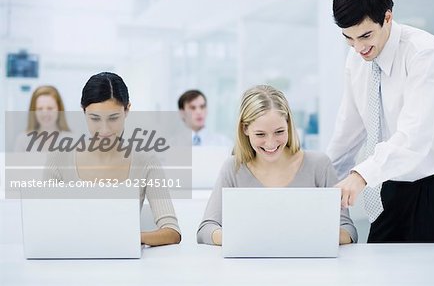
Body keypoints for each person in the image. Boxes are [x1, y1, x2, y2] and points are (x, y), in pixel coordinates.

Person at [328, 0, 434, 248]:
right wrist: (322, 179)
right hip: (391, 183)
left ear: (387, 18)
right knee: (378, 268)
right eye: (348, 38)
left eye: (365, 35)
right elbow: (348, 130)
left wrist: (360, 175)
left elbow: (414, 138)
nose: (359, 47)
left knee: (431, 273)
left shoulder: (424, 53)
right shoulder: (356, 60)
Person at [197, 85, 357, 245]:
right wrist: (245, 239)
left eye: (279, 132)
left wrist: (300, 237)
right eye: (260, 134)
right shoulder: (233, 168)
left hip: (308, 267)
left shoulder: (319, 165)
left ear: (288, 124)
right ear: (245, 129)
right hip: (248, 266)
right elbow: (205, 230)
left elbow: (348, 231)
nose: (271, 143)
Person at [44, 72, 181, 246]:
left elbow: (172, 232)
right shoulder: (59, 157)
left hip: (126, 264)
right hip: (71, 259)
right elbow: (45, 223)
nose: (104, 129)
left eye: (113, 118)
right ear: (83, 111)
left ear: (127, 110)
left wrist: (125, 237)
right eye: (94, 118)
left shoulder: (146, 161)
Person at [15, 85, 71, 152]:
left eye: (50, 108)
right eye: (40, 109)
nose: (45, 113)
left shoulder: (72, 140)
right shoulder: (23, 140)